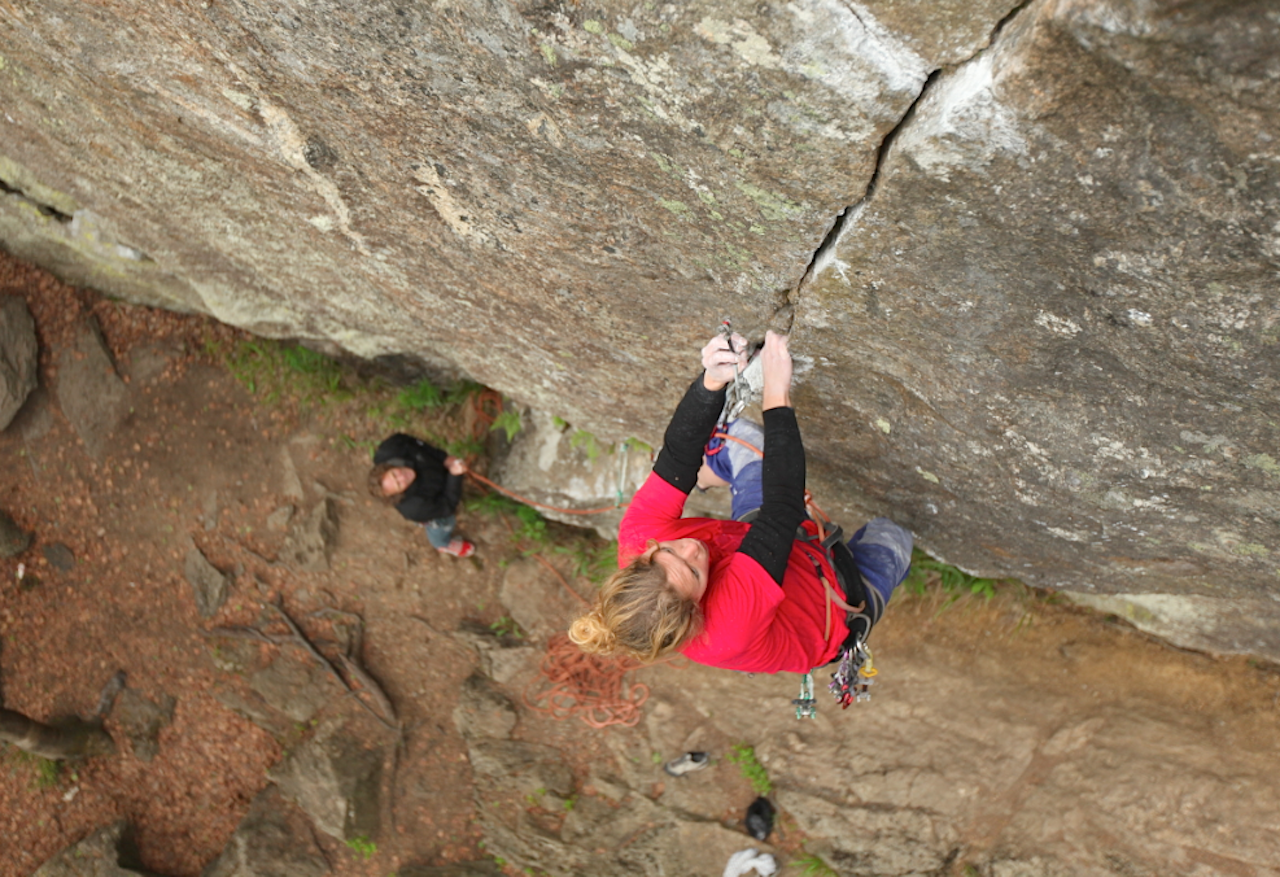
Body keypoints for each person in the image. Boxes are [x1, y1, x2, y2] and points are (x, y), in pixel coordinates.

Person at [569, 330, 913, 689]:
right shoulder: (727, 625)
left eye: (670, 551)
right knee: (894, 533)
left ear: (644, 557)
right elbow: (783, 507)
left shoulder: (640, 539)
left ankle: (710, 471)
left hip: (755, 543)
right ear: (695, 611)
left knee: (738, 437)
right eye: (694, 571)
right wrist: (776, 394)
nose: (691, 548)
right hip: (836, 602)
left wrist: (712, 380)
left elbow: (676, 457)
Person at [368, 433, 476, 558]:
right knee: (443, 524)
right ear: (398, 494)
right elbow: (447, 505)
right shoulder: (415, 508)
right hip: (434, 510)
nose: (403, 477)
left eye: (394, 474)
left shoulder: (392, 448)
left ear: (388, 467)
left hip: (437, 473)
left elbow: (412, 441)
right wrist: (454, 476)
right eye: (399, 484)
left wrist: (444, 459)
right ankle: (442, 544)